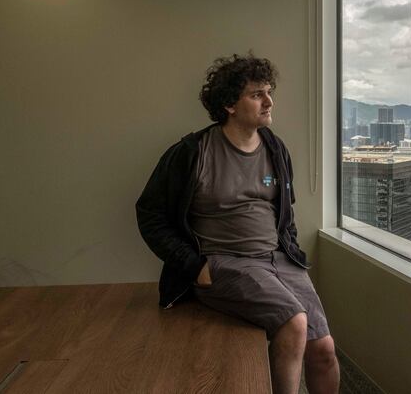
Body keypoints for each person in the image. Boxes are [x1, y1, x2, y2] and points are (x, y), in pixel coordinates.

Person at [136, 53, 339, 394]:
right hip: (225, 263)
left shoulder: (275, 148)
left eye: (269, 92)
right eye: (257, 94)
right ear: (230, 104)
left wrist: (289, 248)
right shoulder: (192, 152)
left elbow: (285, 212)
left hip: (279, 261)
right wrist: (193, 266)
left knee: (324, 351)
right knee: (294, 323)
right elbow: (149, 214)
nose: (269, 102)